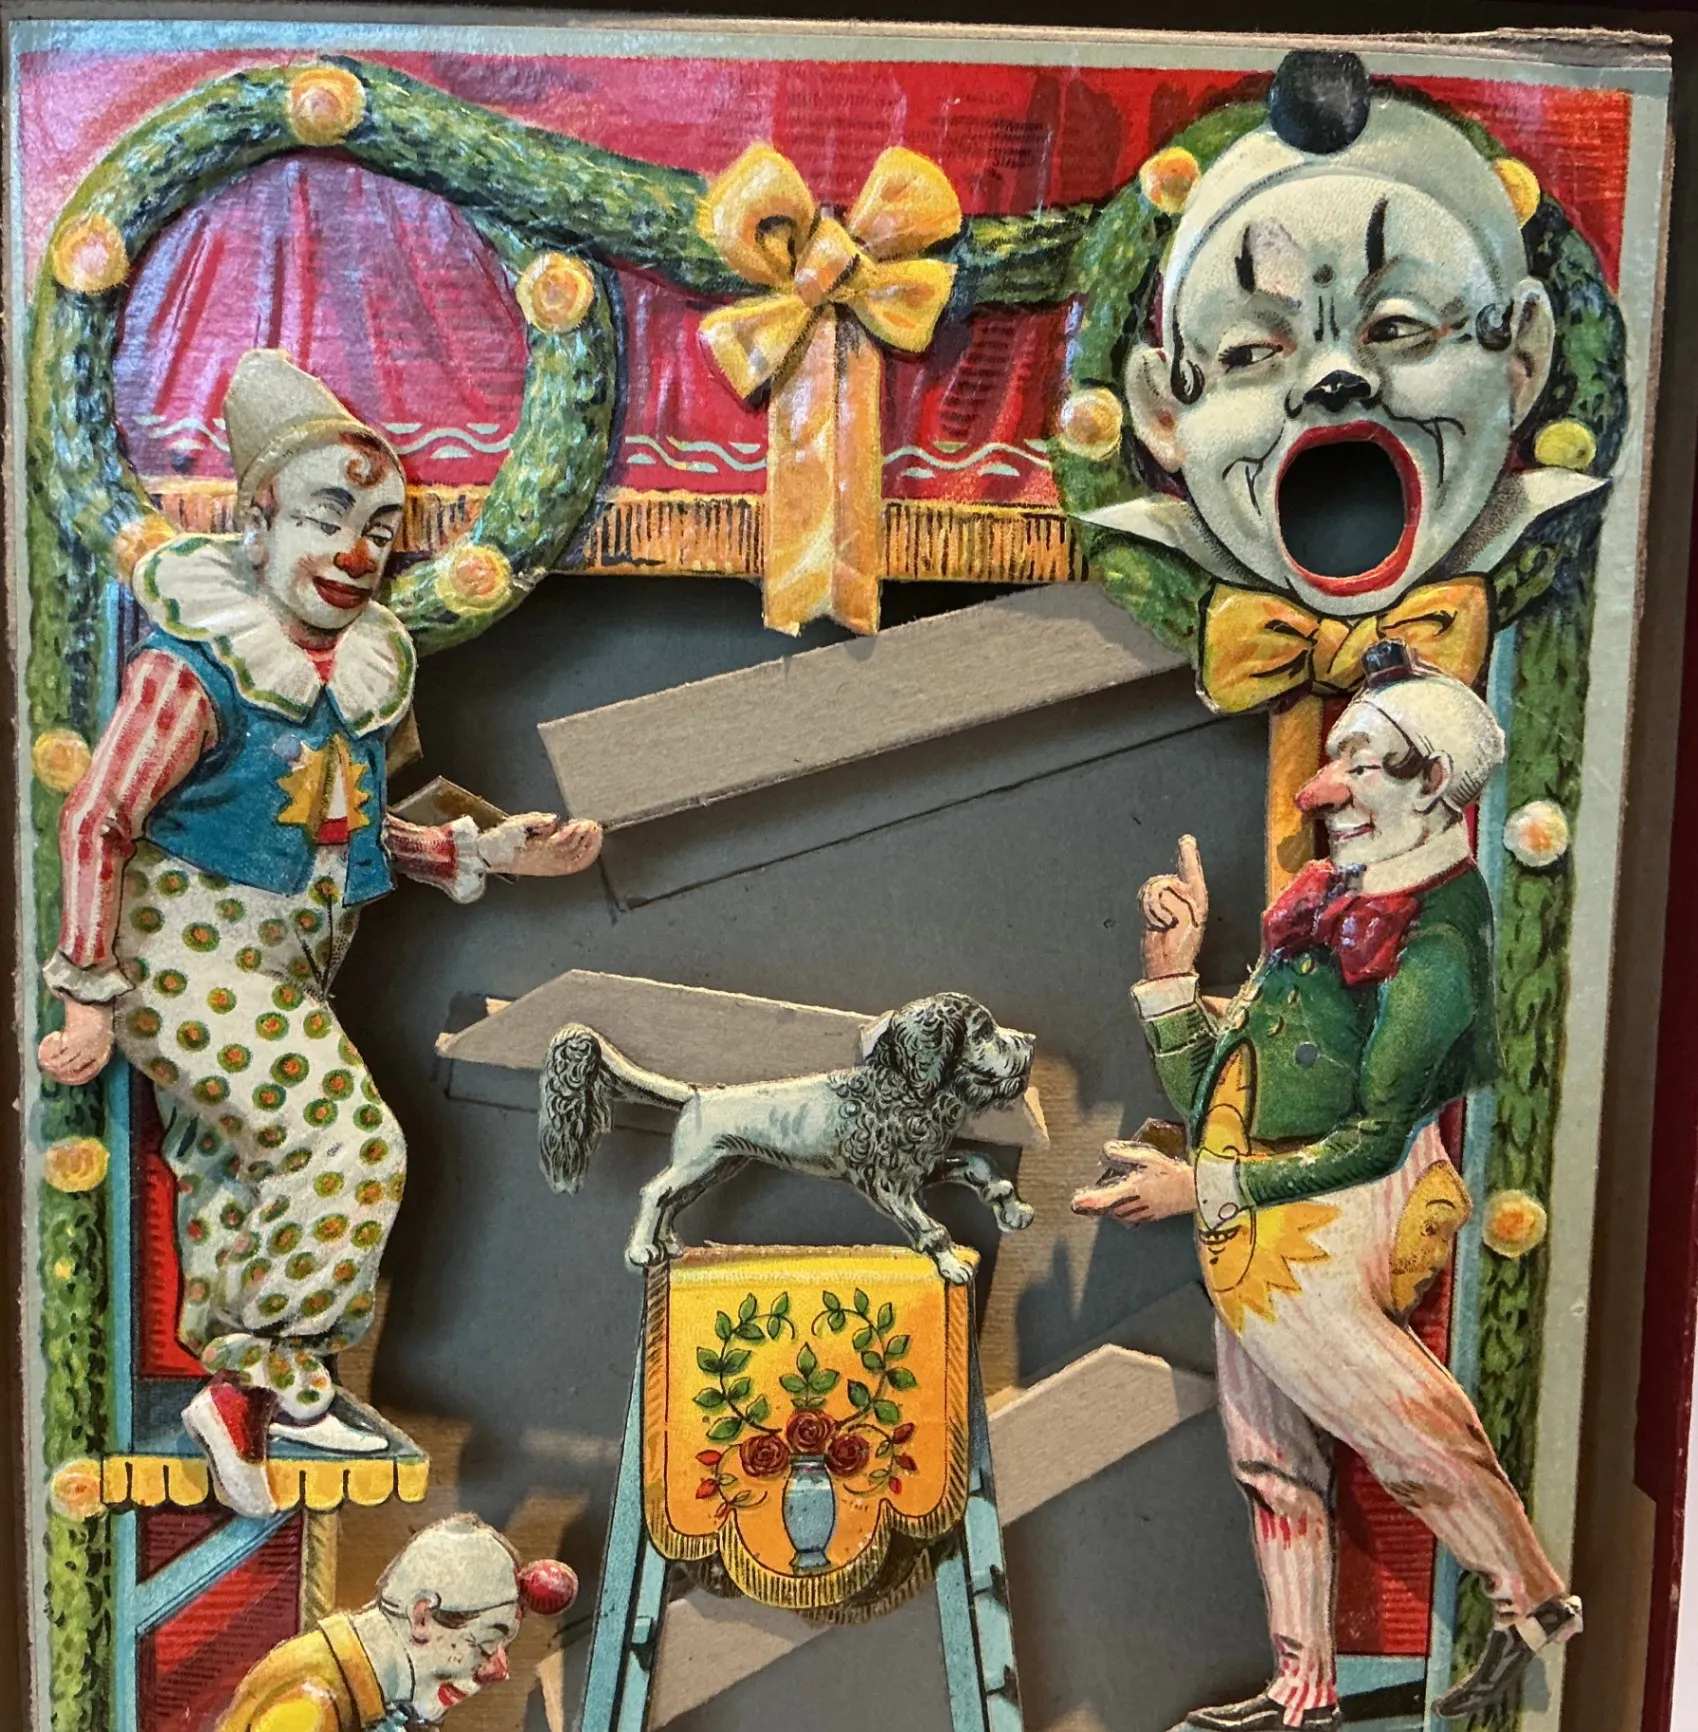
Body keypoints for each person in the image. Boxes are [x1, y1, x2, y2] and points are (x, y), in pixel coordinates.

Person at [36, 350, 603, 1516]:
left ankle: (235, 1404)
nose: (357, 550)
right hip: (187, 959)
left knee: (241, 1173)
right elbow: (100, 815)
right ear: (259, 520)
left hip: (286, 966)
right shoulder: (199, 665)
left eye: (380, 529)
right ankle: (275, 1384)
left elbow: (350, 828)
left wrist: (490, 850)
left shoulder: (356, 676)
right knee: (350, 1146)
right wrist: (87, 988)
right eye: (327, 516)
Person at [1074, 646, 1581, 1729]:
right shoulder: (1325, 901)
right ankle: (1301, 1689)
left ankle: (1532, 1602)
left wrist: (1198, 1187)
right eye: (1333, 758)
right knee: (1269, 1463)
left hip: (1317, 1229)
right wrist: (1172, 976)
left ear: (1432, 782)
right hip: (1245, 1228)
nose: (1323, 790)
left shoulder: (1437, 941)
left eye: (1360, 764)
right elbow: (1221, 1090)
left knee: (1408, 1430)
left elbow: (1371, 1140)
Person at [217, 1514, 577, 1730]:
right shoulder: (311, 1706)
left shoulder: (361, 1694)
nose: (495, 1669)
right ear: (422, 1617)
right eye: (483, 1644)